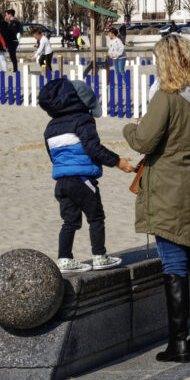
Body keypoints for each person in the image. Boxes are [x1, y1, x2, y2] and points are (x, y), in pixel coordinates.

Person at [122, 35, 190, 362]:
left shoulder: (166, 97)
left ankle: (179, 343)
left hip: (169, 184)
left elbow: (143, 141)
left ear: (166, 62)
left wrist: (130, 128)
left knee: (174, 261)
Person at [41, 76, 132, 273]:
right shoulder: (82, 120)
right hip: (82, 178)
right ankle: (99, 256)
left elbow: (53, 155)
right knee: (96, 217)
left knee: (70, 221)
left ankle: (64, 259)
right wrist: (118, 162)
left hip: (61, 181)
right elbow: (93, 148)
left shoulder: (51, 127)